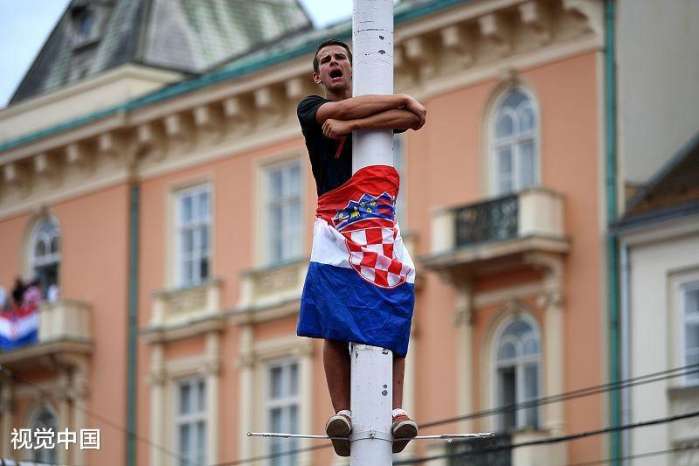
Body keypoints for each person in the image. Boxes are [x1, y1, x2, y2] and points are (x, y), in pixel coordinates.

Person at [295, 39, 426, 457]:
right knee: (334, 319)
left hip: (378, 220)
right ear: (318, 75)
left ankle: (395, 410)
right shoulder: (309, 107)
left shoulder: (359, 114)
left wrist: (359, 124)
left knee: (395, 302)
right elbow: (336, 112)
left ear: (353, 68)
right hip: (336, 221)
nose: (335, 64)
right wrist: (393, 109)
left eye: (341, 58)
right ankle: (344, 412)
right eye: (326, 61)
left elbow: (413, 115)